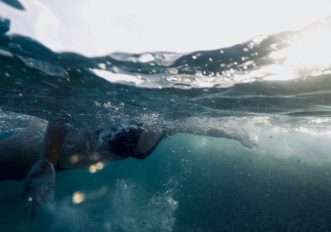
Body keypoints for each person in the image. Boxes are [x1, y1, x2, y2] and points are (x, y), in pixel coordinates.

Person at [0, 118, 257, 212]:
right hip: (41, 147)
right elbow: (63, 114)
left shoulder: (167, 122)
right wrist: (46, 158)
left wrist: (237, 134)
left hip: (64, 162)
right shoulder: (123, 102)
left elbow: (202, 126)